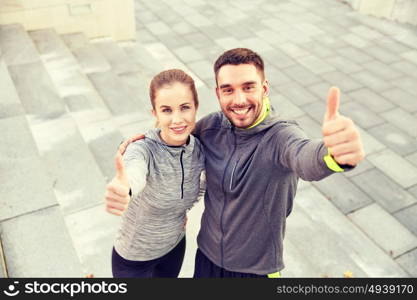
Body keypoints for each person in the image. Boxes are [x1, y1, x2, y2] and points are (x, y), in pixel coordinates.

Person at [106, 48, 365, 278]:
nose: (239, 100)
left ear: (264, 88)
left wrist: (334, 155)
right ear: (218, 93)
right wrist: (135, 156)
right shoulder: (210, 127)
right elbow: (170, 141)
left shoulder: (281, 136)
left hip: (255, 270)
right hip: (206, 259)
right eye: (228, 90)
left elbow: (306, 157)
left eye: (248, 87)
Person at [106, 69, 205, 277]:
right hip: (134, 258)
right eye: (167, 110)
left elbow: (200, 184)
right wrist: (126, 187)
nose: (177, 119)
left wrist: (179, 212)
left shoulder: (200, 151)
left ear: (196, 107)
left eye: (184, 107)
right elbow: (135, 171)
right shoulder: (142, 149)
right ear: (155, 114)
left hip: (174, 248)